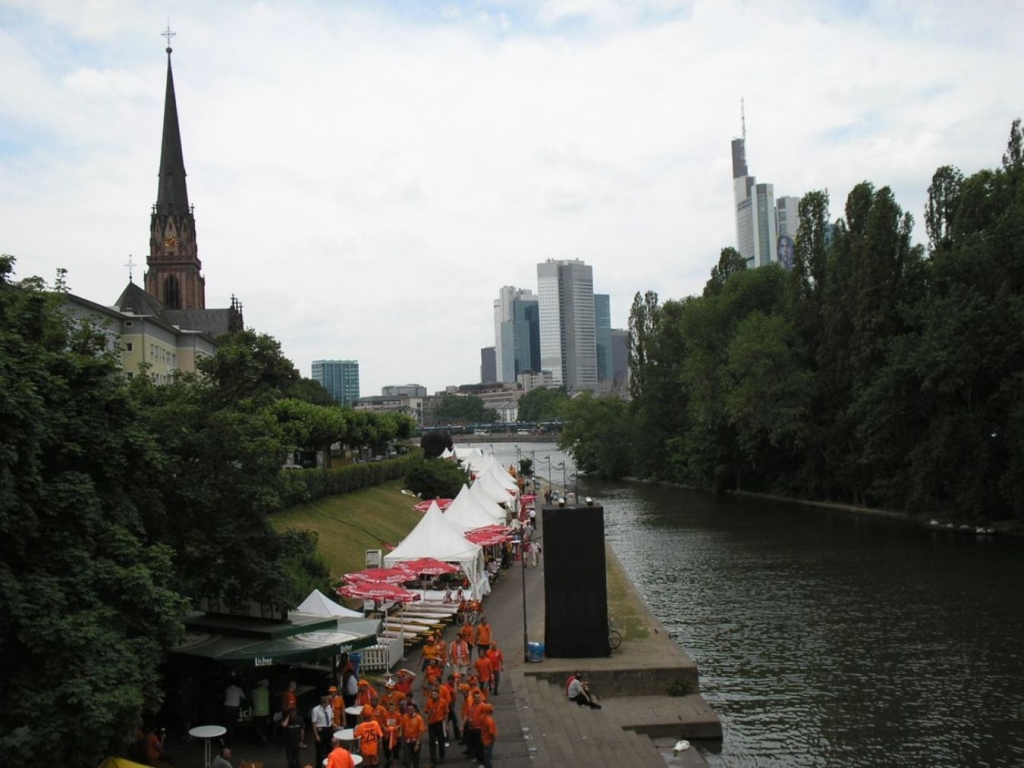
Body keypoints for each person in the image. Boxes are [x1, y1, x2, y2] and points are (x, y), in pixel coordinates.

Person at [424, 686, 448, 766]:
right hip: (431, 724)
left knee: (441, 741)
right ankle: (433, 760)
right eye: (432, 694)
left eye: (435, 694)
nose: (433, 695)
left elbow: (446, 713)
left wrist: (446, 724)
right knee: (432, 742)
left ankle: (441, 757)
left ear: (438, 694)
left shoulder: (443, 702)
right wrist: (426, 723)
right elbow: (426, 713)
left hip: (440, 723)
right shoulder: (428, 702)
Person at [312, 694, 335, 768]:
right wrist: (316, 735)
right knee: (320, 751)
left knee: (330, 748)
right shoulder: (315, 710)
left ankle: (329, 765)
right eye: (327, 702)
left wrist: (333, 724)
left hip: (329, 729)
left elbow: (331, 717)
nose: (328, 704)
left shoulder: (329, 707)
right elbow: (314, 723)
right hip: (321, 730)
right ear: (323, 703)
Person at [401, 701, 426, 768]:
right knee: (407, 760)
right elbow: (402, 729)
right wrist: (403, 741)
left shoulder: (419, 719)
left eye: (411, 709)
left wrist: (417, 744)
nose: (410, 711)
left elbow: (421, 732)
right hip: (407, 742)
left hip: (415, 742)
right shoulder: (404, 717)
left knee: (416, 760)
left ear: (414, 709)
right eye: (408, 710)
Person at [223, 676, 244, 747]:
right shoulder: (239, 689)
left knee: (228, 725)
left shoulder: (227, 689)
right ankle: (230, 739)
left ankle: (228, 739)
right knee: (233, 724)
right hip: (234, 708)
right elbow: (244, 697)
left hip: (227, 708)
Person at [479, 701, 497, 768]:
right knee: (489, 756)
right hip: (488, 740)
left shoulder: (482, 717)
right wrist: (493, 739)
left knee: (486, 754)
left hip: (483, 738)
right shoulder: (490, 720)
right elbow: (491, 732)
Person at [252, 679, 271, 744]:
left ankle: (261, 737)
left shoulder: (254, 691)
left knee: (259, 726)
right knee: (264, 726)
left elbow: (251, 697)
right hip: (265, 711)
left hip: (257, 712)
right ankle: (264, 738)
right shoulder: (266, 690)